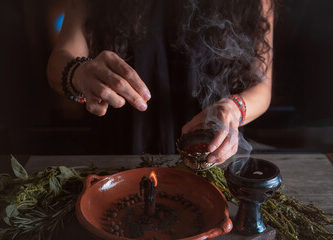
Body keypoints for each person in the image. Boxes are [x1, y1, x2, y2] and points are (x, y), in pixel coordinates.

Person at [47, 0, 274, 165]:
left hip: (210, 159)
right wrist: (80, 73)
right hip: (116, 156)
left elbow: (261, 88)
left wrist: (233, 109)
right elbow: (59, 61)